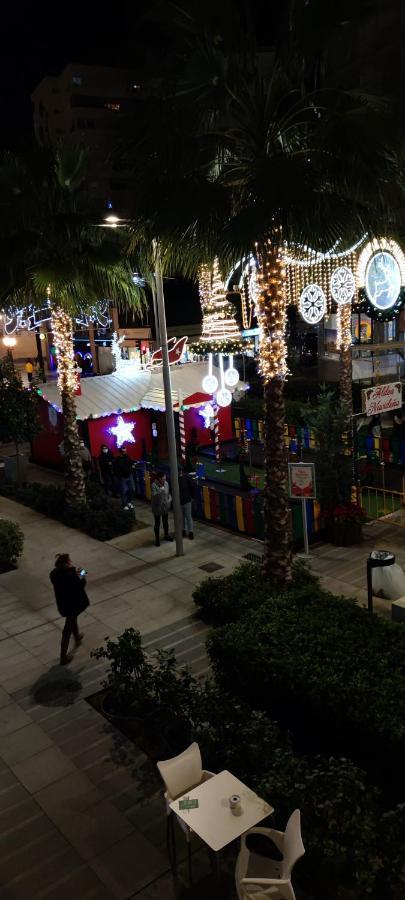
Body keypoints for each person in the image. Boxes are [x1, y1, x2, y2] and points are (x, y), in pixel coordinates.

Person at [49, 554, 89, 665]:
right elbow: (82, 583)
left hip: (63, 604)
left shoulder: (53, 574)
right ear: (67, 562)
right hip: (73, 604)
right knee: (67, 629)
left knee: (72, 619)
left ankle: (77, 637)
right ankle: (63, 656)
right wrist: (82, 572)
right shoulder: (71, 575)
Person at [151, 471, 173, 545]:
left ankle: (166, 535)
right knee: (157, 523)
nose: (165, 478)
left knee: (165, 522)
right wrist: (161, 490)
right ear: (160, 478)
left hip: (165, 506)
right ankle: (157, 539)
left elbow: (168, 494)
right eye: (164, 477)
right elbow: (154, 497)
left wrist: (169, 499)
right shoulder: (154, 485)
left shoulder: (166, 483)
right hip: (157, 507)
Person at [178, 468, 194, 539]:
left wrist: (192, 497)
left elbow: (192, 487)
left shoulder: (186, 477)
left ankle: (190, 531)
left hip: (186, 500)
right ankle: (183, 530)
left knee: (188, 516)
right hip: (180, 501)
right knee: (182, 517)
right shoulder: (185, 477)